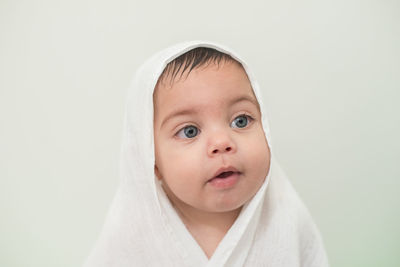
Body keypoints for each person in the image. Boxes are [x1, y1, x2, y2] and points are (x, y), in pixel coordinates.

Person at [83, 40, 329, 267]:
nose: (222, 142)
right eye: (190, 131)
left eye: (241, 121)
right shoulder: (130, 236)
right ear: (151, 161)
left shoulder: (286, 219)